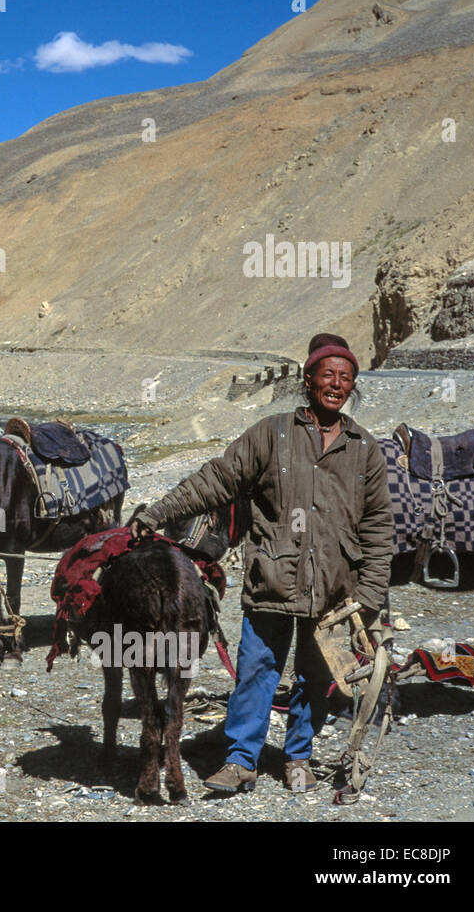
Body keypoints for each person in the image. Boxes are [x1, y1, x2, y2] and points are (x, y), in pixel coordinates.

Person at [128, 333, 393, 795]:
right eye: (327, 374)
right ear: (308, 380)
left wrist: (368, 596)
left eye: (345, 377)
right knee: (256, 670)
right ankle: (241, 760)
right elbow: (217, 479)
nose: (336, 383)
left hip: (335, 591)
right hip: (272, 578)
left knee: (318, 677)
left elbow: (378, 528)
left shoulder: (363, 448)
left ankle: (298, 758)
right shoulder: (272, 434)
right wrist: (157, 513)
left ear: (352, 387)